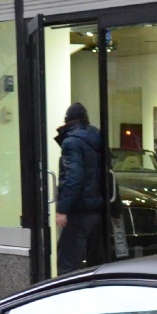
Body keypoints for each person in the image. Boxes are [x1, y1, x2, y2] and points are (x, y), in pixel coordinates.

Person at [53, 102, 105, 271]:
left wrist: (63, 209)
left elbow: (73, 177)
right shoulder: (98, 137)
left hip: (79, 211)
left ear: (68, 121)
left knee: (68, 263)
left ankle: (67, 295)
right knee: (96, 263)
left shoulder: (71, 142)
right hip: (97, 211)